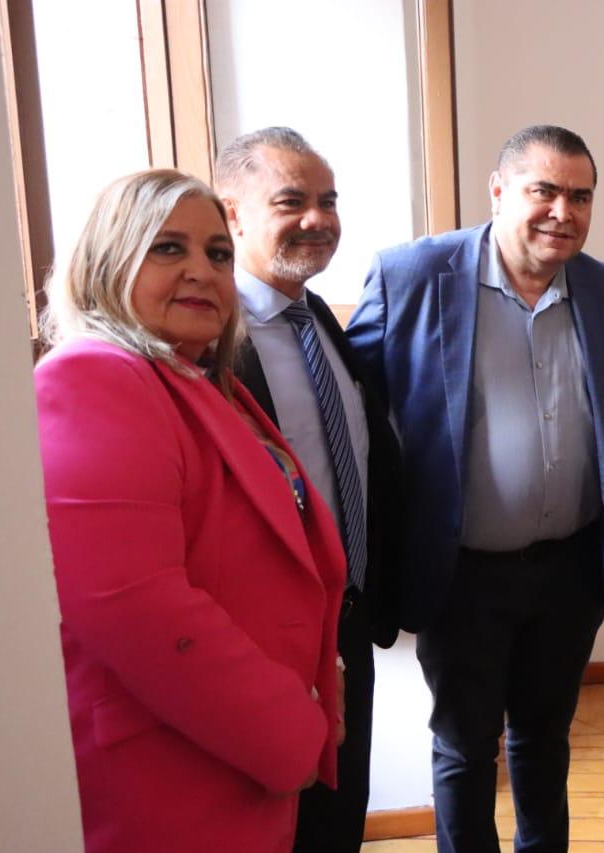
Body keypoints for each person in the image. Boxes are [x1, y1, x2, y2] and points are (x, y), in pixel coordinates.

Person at [34, 169, 344, 852]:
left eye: (219, 253)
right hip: (168, 767)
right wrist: (287, 727)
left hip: (229, 754)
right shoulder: (92, 377)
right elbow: (132, 605)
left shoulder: (200, 381)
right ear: (108, 260)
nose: (203, 270)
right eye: (168, 248)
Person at [347, 124, 604, 851]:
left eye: (580, 196)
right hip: (461, 572)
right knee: (466, 747)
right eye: (545, 191)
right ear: (499, 190)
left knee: (544, 738)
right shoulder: (413, 275)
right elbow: (353, 409)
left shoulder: (603, 289)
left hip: (569, 568)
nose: (563, 211)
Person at [215, 126, 405, 852]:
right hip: (262, 634)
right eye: (291, 201)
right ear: (232, 214)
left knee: (338, 815)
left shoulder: (318, 315)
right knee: (270, 823)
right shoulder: (207, 343)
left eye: (329, 201)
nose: (318, 219)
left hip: (345, 619)